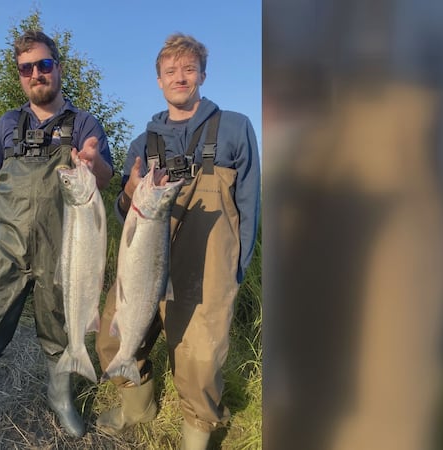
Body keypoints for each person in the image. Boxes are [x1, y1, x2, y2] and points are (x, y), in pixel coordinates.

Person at [0, 29, 114, 450]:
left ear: (58, 68)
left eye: (44, 65)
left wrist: (92, 160)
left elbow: (103, 179)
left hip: (63, 249)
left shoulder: (84, 123)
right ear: (20, 76)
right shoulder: (8, 124)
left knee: (61, 327)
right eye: (26, 68)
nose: (36, 74)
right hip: (7, 246)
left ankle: (60, 398)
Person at [95, 33, 260, 449]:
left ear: (202, 74)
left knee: (199, 360)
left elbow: (249, 202)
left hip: (210, 265)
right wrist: (131, 190)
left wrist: (238, 266)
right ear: (159, 80)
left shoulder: (236, 128)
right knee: (112, 339)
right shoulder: (143, 142)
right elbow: (122, 214)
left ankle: (196, 438)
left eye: (188, 69)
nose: (180, 77)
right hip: (145, 260)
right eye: (171, 70)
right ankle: (137, 408)